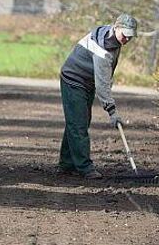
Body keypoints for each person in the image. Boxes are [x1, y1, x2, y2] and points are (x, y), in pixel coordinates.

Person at [58, 13, 137, 179]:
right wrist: (112, 111)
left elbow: (106, 75)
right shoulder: (103, 49)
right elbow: (102, 85)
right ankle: (85, 167)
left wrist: (108, 86)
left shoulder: (113, 38)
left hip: (87, 81)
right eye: (124, 35)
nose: (126, 40)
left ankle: (66, 164)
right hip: (73, 78)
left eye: (130, 37)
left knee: (78, 121)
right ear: (116, 28)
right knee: (78, 124)